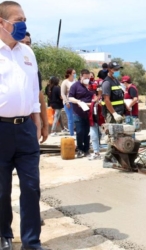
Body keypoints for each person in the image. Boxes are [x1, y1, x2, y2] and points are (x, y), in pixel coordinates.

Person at [0, 1, 45, 249]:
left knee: (31, 187)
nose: (23, 24)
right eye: (18, 20)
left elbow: (34, 92)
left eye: (25, 19)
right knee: (1, 190)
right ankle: (4, 234)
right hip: (1, 129)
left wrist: (37, 123)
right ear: (2, 22)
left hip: (26, 128)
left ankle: (31, 242)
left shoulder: (28, 53)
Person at [20, 31, 49, 143]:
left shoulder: (33, 69)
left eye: (27, 43)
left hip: (29, 123)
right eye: (21, 42)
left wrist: (45, 125)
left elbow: (38, 95)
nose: (25, 46)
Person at [101, 61, 125, 164]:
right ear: (110, 70)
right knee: (113, 136)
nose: (117, 71)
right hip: (112, 114)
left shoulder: (116, 81)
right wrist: (114, 113)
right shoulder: (106, 83)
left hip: (119, 112)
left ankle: (114, 156)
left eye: (118, 69)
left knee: (118, 136)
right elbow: (107, 100)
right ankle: (107, 158)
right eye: (115, 69)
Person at [68, 69, 94, 158]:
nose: (87, 79)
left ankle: (86, 149)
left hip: (89, 113)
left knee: (87, 132)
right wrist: (78, 102)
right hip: (78, 113)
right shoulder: (75, 86)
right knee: (79, 132)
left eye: (88, 77)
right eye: (85, 77)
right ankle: (80, 149)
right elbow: (70, 97)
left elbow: (96, 96)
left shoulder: (91, 86)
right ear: (81, 76)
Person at [88, 80, 104, 160]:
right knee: (93, 136)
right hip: (93, 119)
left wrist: (100, 102)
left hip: (102, 120)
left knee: (102, 135)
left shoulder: (105, 97)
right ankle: (96, 152)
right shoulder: (93, 96)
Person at [61, 68, 76, 136]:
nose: (75, 74)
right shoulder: (65, 82)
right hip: (68, 103)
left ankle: (76, 131)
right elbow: (63, 93)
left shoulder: (75, 81)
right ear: (69, 74)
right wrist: (66, 102)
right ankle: (71, 134)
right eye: (73, 73)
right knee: (70, 119)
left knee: (76, 118)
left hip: (75, 102)